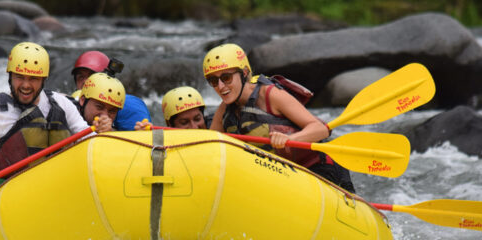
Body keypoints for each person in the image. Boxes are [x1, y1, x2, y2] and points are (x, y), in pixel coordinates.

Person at [0, 42, 108, 207]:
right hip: (9, 200)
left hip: (56, 194)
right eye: (20, 77)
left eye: (33, 79)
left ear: (43, 80)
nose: (26, 85)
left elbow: (88, 139)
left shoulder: (61, 104)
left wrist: (104, 132)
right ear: (10, 76)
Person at [203, 43, 355, 193]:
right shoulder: (224, 111)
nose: (221, 86)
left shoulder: (270, 94)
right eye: (214, 81)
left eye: (226, 77)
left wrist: (290, 139)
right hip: (282, 178)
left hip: (319, 170)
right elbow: (211, 148)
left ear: (244, 73)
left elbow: (321, 129)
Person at [71, 50, 151, 131]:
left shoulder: (129, 105)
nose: (85, 81)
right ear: (82, 99)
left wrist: (141, 134)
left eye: (91, 75)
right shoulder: (69, 104)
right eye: (80, 77)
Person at [134, 86, 206, 130]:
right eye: (184, 122)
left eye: (197, 119)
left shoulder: (215, 128)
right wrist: (145, 136)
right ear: (170, 125)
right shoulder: (165, 142)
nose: (194, 127)